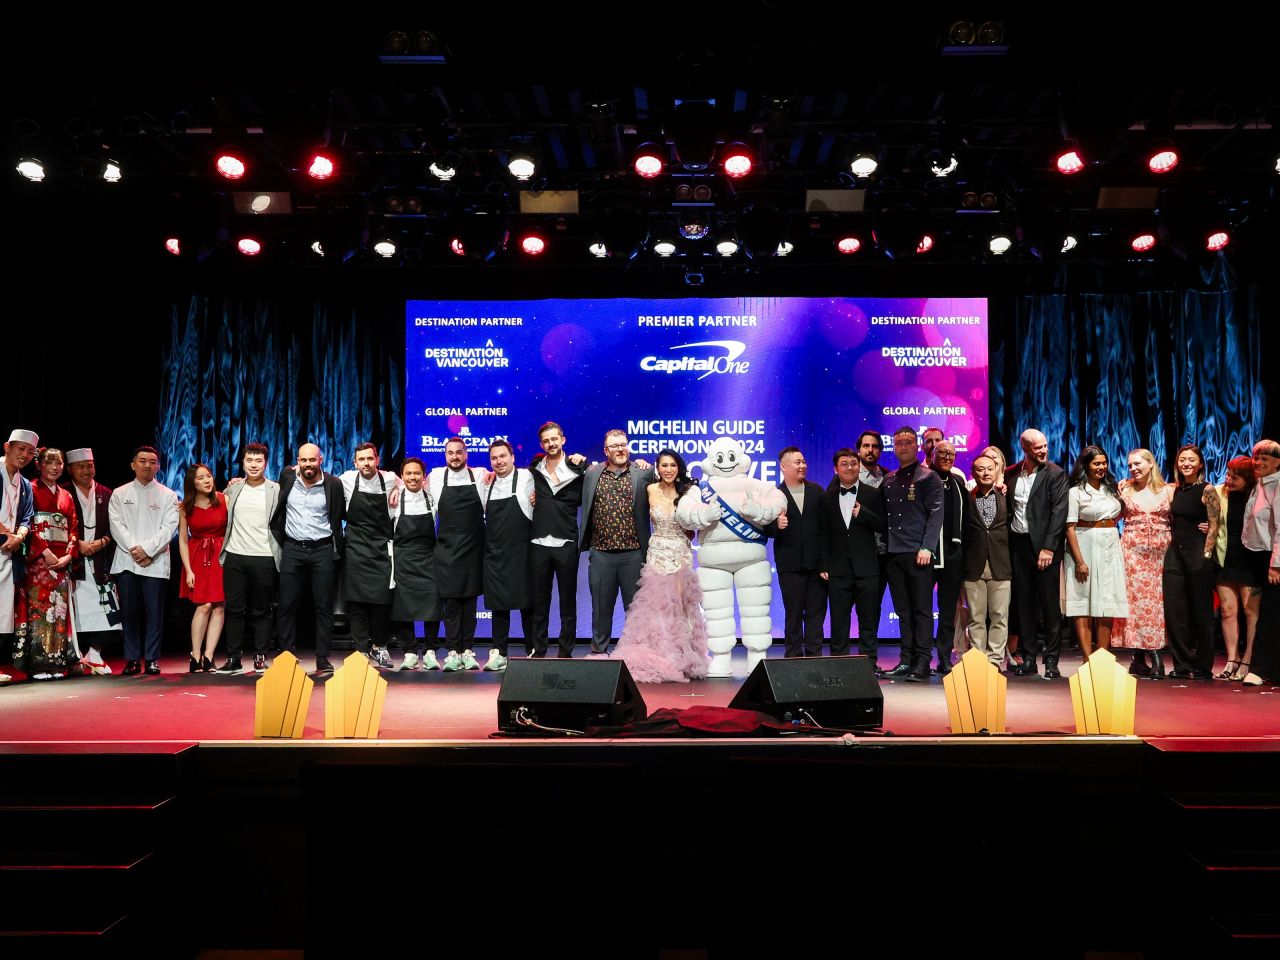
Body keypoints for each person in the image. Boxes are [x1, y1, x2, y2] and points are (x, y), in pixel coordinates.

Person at [610, 450, 708, 682]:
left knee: (681, 606)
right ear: (657, 468)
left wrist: (692, 529)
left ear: (679, 467)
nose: (668, 470)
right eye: (664, 465)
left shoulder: (688, 492)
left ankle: (682, 656)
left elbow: (696, 521)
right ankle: (659, 654)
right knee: (656, 606)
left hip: (681, 553)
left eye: (672, 465)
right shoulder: (650, 488)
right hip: (657, 553)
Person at [270, 443, 345, 675]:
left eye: (312, 460)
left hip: (322, 549)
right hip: (293, 548)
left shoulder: (332, 484)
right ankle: (286, 655)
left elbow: (338, 514)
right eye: (303, 460)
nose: (308, 465)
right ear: (297, 461)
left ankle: (322, 658)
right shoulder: (287, 477)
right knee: (286, 605)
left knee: (323, 607)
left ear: (321, 460)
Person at [580, 429, 655, 656]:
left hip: (633, 553)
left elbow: (669, 488)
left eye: (623, 444)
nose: (620, 449)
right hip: (601, 554)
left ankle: (636, 655)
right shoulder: (592, 473)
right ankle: (599, 652)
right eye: (614, 446)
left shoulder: (644, 473)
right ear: (606, 451)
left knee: (635, 610)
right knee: (601, 609)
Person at [109, 446, 179, 676]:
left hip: (155, 562)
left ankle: (151, 659)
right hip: (127, 561)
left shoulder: (168, 495)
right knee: (129, 613)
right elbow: (116, 526)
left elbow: (169, 528)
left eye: (152, 462)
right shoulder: (120, 493)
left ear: (158, 466)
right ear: (133, 464)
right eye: (142, 461)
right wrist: (135, 550)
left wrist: (148, 550)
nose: (147, 465)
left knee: (154, 614)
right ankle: (131, 659)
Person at [1005, 429, 1069, 679]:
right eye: (1037, 447)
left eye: (1045, 446)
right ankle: (1029, 658)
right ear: (1025, 448)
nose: (1043, 450)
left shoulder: (1055, 473)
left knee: (1049, 605)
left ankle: (1051, 660)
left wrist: (1049, 547)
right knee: (1024, 605)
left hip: (1044, 547)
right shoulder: (1011, 474)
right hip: (1018, 546)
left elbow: (1059, 512)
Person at [882, 427, 944, 682]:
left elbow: (936, 515)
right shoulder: (889, 480)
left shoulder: (929, 478)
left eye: (908, 442)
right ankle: (906, 660)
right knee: (903, 611)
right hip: (893, 554)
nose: (903, 447)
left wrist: (928, 547)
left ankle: (922, 661)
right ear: (894, 447)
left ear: (916, 446)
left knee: (921, 610)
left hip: (919, 553)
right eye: (899, 443)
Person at [14, 448, 79, 680]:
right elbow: (27, 523)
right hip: (39, 561)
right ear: (39, 465)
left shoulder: (66, 495)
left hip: (61, 561)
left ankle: (55, 663)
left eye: (59, 463)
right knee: (39, 610)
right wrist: (44, 551)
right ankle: (38, 663)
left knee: (58, 611)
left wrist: (69, 555)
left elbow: (73, 527)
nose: (54, 467)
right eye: (49, 462)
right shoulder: (29, 488)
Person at [217, 442, 281, 675]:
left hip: (264, 556)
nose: (254, 465)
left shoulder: (275, 489)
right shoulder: (233, 488)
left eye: (258, 461)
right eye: (249, 460)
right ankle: (233, 658)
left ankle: (260, 655)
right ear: (243, 463)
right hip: (235, 556)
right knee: (234, 609)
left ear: (266, 463)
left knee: (262, 610)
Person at [819, 447, 886, 668]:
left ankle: (869, 663)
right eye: (845, 464)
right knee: (839, 620)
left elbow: (884, 525)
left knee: (868, 620)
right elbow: (822, 533)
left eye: (853, 463)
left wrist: (864, 514)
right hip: (838, 570)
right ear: (836, 469)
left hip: (867, 568)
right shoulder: (826, 497)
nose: (850, 467)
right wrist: (823, 564)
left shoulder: (873, 494)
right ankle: (840, 663)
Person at [338, 443, 401, 669]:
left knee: (382, 603)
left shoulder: (391, 479)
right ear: (355, 463)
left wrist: (397, 489)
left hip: (381, 549)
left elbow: (413, 483)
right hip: (355, 548)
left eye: (370, 459)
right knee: (357, 605)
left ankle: (380, 648)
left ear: (378, 460)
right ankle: (361, 650)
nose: (366, 463)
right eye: (361, 460)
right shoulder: (346, 479)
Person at [1062, 446, 1128, 659]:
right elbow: (1069, 527)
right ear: (1086, 466)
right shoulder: (1076, 492)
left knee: (1107, 602)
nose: (1101, 467)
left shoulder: (1111, 489)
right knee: (1084, 603)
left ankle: (1102, 658)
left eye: (1103, 463)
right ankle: (1087, 658)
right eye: (1096, 463)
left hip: (1109, 546)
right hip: (1084, 546)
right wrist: (1080, 561)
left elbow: (1118, 514)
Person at [528, 422, 588, 658]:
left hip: (566, 542)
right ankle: (539, 648)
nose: (551, 444)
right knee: (539, 602)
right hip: (539, 542)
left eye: (555, 439)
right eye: (546, 441)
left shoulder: (578, 467)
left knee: (567, 602)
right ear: (541, 444)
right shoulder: (535, 468)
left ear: (563, 440)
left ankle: (565, 650)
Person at [1113, 449, 1173, 678]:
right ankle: (1154, 655)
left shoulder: (1168, 490)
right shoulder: (1124, 489)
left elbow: (1180, 518)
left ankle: (1139, 659)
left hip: (1161, 555)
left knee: (1157, 605)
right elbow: (1112, 517)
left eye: (1137, 464)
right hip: (1132, 555)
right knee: (1138, 605)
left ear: (1150, 464)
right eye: (1129, 465)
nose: (1133, 469)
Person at [428, 437, 486, 671]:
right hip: (448, 550)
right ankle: (453, 651)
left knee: (470, 604)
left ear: (466, 454)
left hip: (473, 549)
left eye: (459, 452)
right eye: (450, 453)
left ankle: (468, 651)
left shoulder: (481, 476)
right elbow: (409, 487)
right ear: (445, 455)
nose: (454, 457)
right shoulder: (435, 477)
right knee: (451, 605)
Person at [1163, 444, 1220, 680]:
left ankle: (1203, 665)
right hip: (1176, 552)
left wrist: (1206, 555)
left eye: (1191, 460)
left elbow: (1214, 525)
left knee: (1201, 610)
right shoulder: (1175, 489)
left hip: (1198, 553)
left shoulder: (1207, 489)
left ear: (1200, 464)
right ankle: (1181, 664)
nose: (1186, 463)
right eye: (1182, 460)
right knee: (1176, 610)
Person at [766, 446, 828, 659]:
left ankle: (814, 657)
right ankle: (792, 658)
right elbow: (765, 528)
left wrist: (825, 564)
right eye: (797, 462)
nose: (802, 466)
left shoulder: (817, 491)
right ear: (783, 467)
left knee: (816, 615)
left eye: (803, 461)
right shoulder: (775, 495)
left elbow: (827, 529)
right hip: (789, 565)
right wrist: (776, 525)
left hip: (817, 566)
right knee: (792, 615)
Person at [481, 440, 535, 672]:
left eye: (503, 456)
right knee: (498, 606)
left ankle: (533, 650)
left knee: (528, 605)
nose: (499, 461)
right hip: (495, 554)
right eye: (494, 458)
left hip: (523, 553)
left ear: (512, 456)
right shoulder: (485, 484)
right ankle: (499, 652)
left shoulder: (528, 477)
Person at [65, 447, 119, 675]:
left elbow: (117, 528)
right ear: (70, 470)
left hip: (101, 564)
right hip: (72, 563)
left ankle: (95, 653)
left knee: (111, 616)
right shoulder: (63, 492)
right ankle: (75, 658)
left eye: (90, 465)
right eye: (80, 466)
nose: (86, 471)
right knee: (72, 615)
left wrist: (103, 541)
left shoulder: (107, 494)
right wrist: (77, 545)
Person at [390, 457, 442, 671]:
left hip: (428, 558)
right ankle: (409, 652)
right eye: (408, 474)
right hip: (403, 559)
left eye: (417, 473)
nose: (413, 477)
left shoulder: (433, 498)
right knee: (403, 608)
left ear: (424, 476)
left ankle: (430, 652)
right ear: (402, 476)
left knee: (433, 606)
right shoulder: (393, 500)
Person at [962, 453, 1011, 669]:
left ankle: (994, 662)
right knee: (976, 618)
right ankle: (978, 662)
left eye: (990, 469)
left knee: (1000, 617)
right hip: (973, 566)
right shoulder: (966, 497)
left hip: (1001, 564)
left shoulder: (1006, 496)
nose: (985, 473)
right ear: (973, 473)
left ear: (997, 471)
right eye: (980, 469)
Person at [178, 464, 227, 672]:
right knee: (203, 605)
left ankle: (209, 655)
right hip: (198, 556)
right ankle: (195, 655)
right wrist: (188, 569)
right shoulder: (185, 507)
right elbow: (182, 539)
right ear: (192, 483)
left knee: (219, 606)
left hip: (220, 555)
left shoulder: (225, 499)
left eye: (208, 476)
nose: (207, 480)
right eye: (201, 478)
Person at [1214, 456, 1260, 680]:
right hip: (1226, 556)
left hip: (1250, 558)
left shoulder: (1258, 494)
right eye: (1228, 474)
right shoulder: (1220, 493)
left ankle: (1248, 660)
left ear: (1248, 478)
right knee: (1227, 610)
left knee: (1250, 611)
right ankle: (1231, 659)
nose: (1229, 479)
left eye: (1235, 476)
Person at [1242, 439, 1280, 685]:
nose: (1258, 462)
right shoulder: (1259, 485)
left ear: (1277, 462)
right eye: (1256, 458)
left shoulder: (1277, 485)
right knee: (1259, 611)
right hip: (1258, 556)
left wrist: (1276, 563)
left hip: (1273, 559)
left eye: (1264, 459)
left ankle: (1262, 669)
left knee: (1270, 615)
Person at [0, 429, 37, 684]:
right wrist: (4, 534)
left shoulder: (24, 484)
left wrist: (19, 536)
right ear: (7, 447)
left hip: (9, 552)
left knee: (2, 613)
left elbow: (27, 517)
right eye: (20, 449)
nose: (24, 455)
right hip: (4, 542)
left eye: (30, 452)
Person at [930, 440, 966, 675]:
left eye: (951, 454)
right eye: (942, 453)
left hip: (952, 555)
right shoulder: (923, 478)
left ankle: (944, 657)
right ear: (932, 455)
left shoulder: (958, 482)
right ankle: (919, 657)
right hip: (926, 554)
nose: (947, 457)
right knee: (921, 609)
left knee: (947, 612)